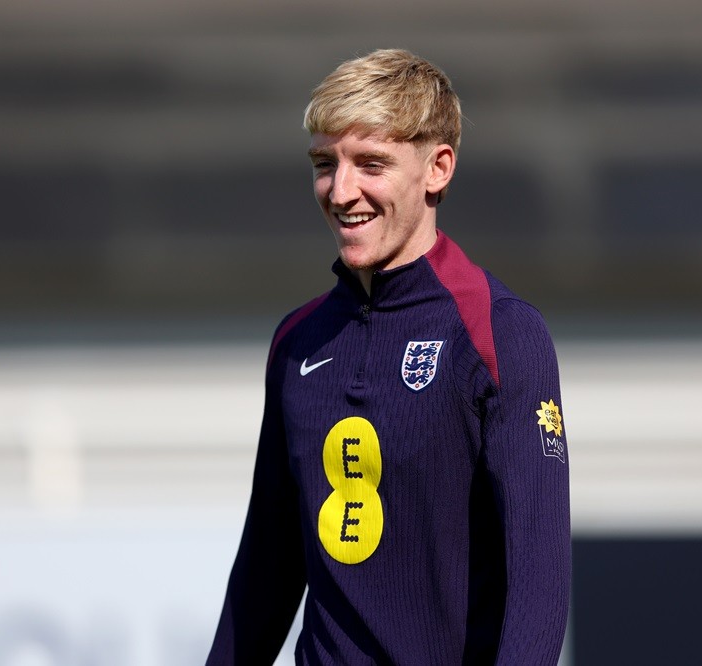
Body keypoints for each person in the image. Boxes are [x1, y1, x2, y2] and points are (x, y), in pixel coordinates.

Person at [207, 48, 570, 665]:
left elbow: (539, 589)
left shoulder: (499, 333)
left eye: (370, 163)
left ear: (438, 169)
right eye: (325, 163)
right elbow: (264, 576)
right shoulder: (296, 342)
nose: (341, 190)